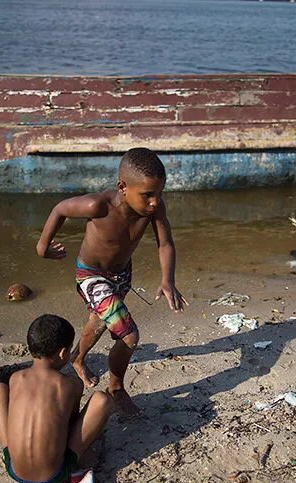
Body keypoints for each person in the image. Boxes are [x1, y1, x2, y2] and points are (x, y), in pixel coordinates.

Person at [35, 147, 186, 416]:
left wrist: (167, 280)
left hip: (122, 275)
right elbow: (60, 209)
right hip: (91, 276)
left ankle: (77, 359)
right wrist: (42, 246)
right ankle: (116, 388)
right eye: (148, 195)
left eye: (159, 194)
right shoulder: (98, 206)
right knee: (129, 335)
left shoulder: (154, 209)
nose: (155, 202)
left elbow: (165, 243)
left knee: (99, 321)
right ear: (122, 187)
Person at [0, 314, 113, 483]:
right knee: (102, 399)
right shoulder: (71, 384)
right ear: (62, 352)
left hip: (14, 470)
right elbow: (70, 425)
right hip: (56, 473)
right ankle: (80, 456)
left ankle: (10, 447)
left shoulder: (16, 378)